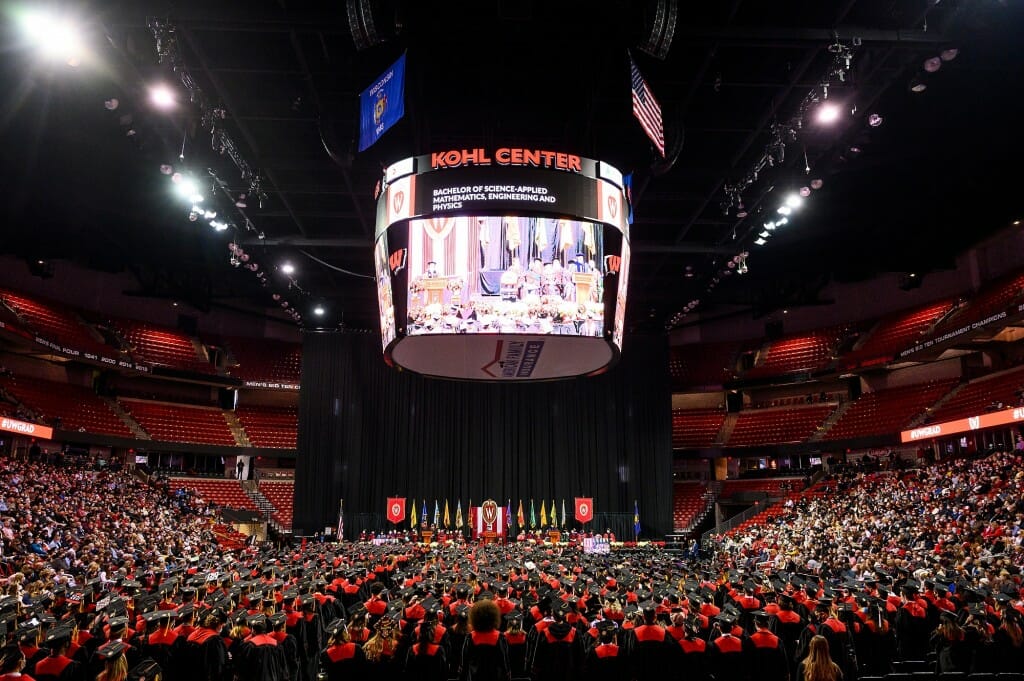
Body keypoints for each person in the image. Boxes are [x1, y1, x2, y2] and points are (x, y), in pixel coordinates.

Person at [459, 599, 508, 681]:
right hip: (494, 676)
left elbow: (464, 662)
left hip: (475, 677)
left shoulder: (470, 637)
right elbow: (504, 662)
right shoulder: (500, 637)